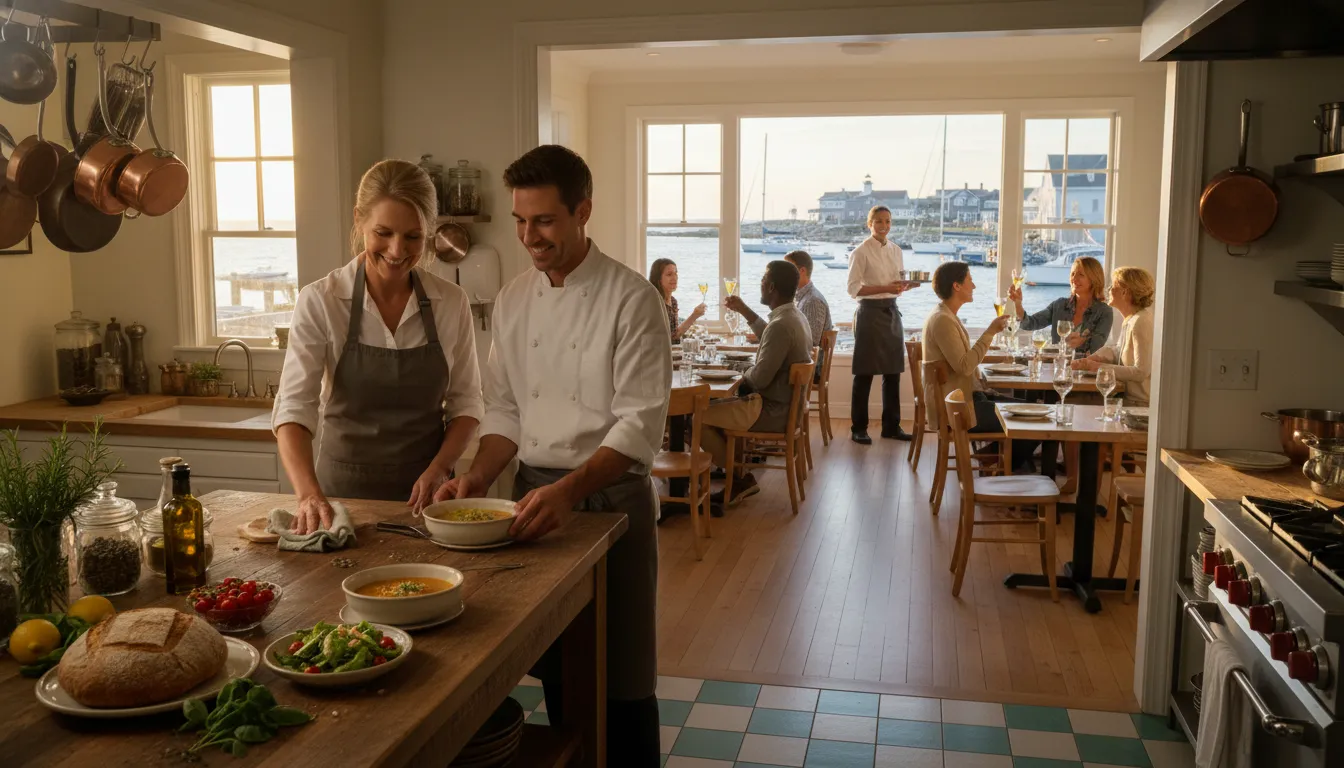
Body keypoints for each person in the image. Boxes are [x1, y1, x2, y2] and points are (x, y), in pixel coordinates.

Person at [433, 145, 669, 764]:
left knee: (620, 676)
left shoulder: (632, 300)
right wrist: (478, 476)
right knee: (559, 667)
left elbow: (638, 426)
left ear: (582, 211)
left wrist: (569, 492)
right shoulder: (514, 299)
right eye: (519, 220)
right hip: (532, 497)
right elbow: (507, 410)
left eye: (544, 221)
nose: (528, 236)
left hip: (611, 502)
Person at [273, 159, 483, 534]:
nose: (397, 250)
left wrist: (440, 468)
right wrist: (307, 495)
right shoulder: (320, 300)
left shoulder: (451, 303)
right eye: (383, 233)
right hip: (339, 504)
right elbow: (293, 408)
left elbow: (467, 403)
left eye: (413, 237)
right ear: (359, 221)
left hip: (427, 505)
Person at [706, 261, 813, 505]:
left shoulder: (781, 325)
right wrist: (745, 310)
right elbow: (771, 337)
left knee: (697, 416)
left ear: (772, 287)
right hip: (788, 409)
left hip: (771, 412)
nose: (761, 285)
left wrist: (737, 372)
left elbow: (759, 379)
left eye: (763, 281)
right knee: (718, 408)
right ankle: (731, 467)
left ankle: (739, 478)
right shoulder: (795, 317)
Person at [922, 262, 1036, 472]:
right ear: (957, 286)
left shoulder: (946, 315)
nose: (973, 286)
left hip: (968, 400)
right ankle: (1014, 483)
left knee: (1034, 411)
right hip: (959, 410)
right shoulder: (942, 321)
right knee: (1032, 422)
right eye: (970, 280)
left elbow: (964, 364)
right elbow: (965, 367)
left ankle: (993, 461)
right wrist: (990, 332)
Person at [846, 205, 914, 443]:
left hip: (891, 311)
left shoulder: (896, 250)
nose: (883, 226)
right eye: (878, 221)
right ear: (869, 224)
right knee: (864, 374)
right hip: (869, 314)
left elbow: (896, 283)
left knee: (893, 372)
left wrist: (904, 286)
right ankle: (858, 428)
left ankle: (891, 427)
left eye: (887, 221)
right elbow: (853, 289)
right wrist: (886, 288)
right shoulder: (860, 252)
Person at [1073, 267, 1156, 406]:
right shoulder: (1132, 318)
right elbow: (1118, 349)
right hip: (1126, 397)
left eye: (1113, 285)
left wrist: (1097, 366)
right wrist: (1094, 358)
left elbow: (1141, 372)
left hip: (1138, 405)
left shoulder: (1140, 322)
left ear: (1125, 292)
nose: (1109, 289)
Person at [1009, 256, 1112, 355]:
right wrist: (1018, 304)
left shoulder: (1104, 311)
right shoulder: (1059, 305)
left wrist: (1083, 340)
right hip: (1057, 365)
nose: (1074, 279)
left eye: (1081, 275)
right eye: (1072, 274)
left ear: (1093, 279)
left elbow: (1097, 346)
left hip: (1085, 369)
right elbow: (1030, 323)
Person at [648, 258, 706, 343]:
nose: (674, 278)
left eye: (676, 273)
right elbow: (666, 339)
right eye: (669, 274)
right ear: (658, 279)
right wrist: (694, 315)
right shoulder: (654, 303)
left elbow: (675, 335)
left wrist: (695, 315)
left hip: (673, 351)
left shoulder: (673, 301)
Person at [784, 250, 830, 347]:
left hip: (806, 361)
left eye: (788, 269)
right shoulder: (801, 298)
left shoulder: (812, 301)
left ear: (802, 271)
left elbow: (811, 342)